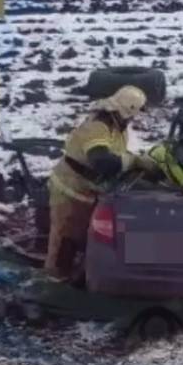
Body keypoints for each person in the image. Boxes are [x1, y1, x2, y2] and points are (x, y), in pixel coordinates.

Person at [45, 85, 157, 281]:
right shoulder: (98, 126)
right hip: (69, 189)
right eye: (134, 113)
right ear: (126, 110)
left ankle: (77, 273)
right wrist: (131, 161)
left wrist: (136, 161)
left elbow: (115, 155)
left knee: (84, 235)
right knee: (65, 239)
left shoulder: (117, 127)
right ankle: (53, 283)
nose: (134, 118)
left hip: (87, 190)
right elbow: (103, 162)